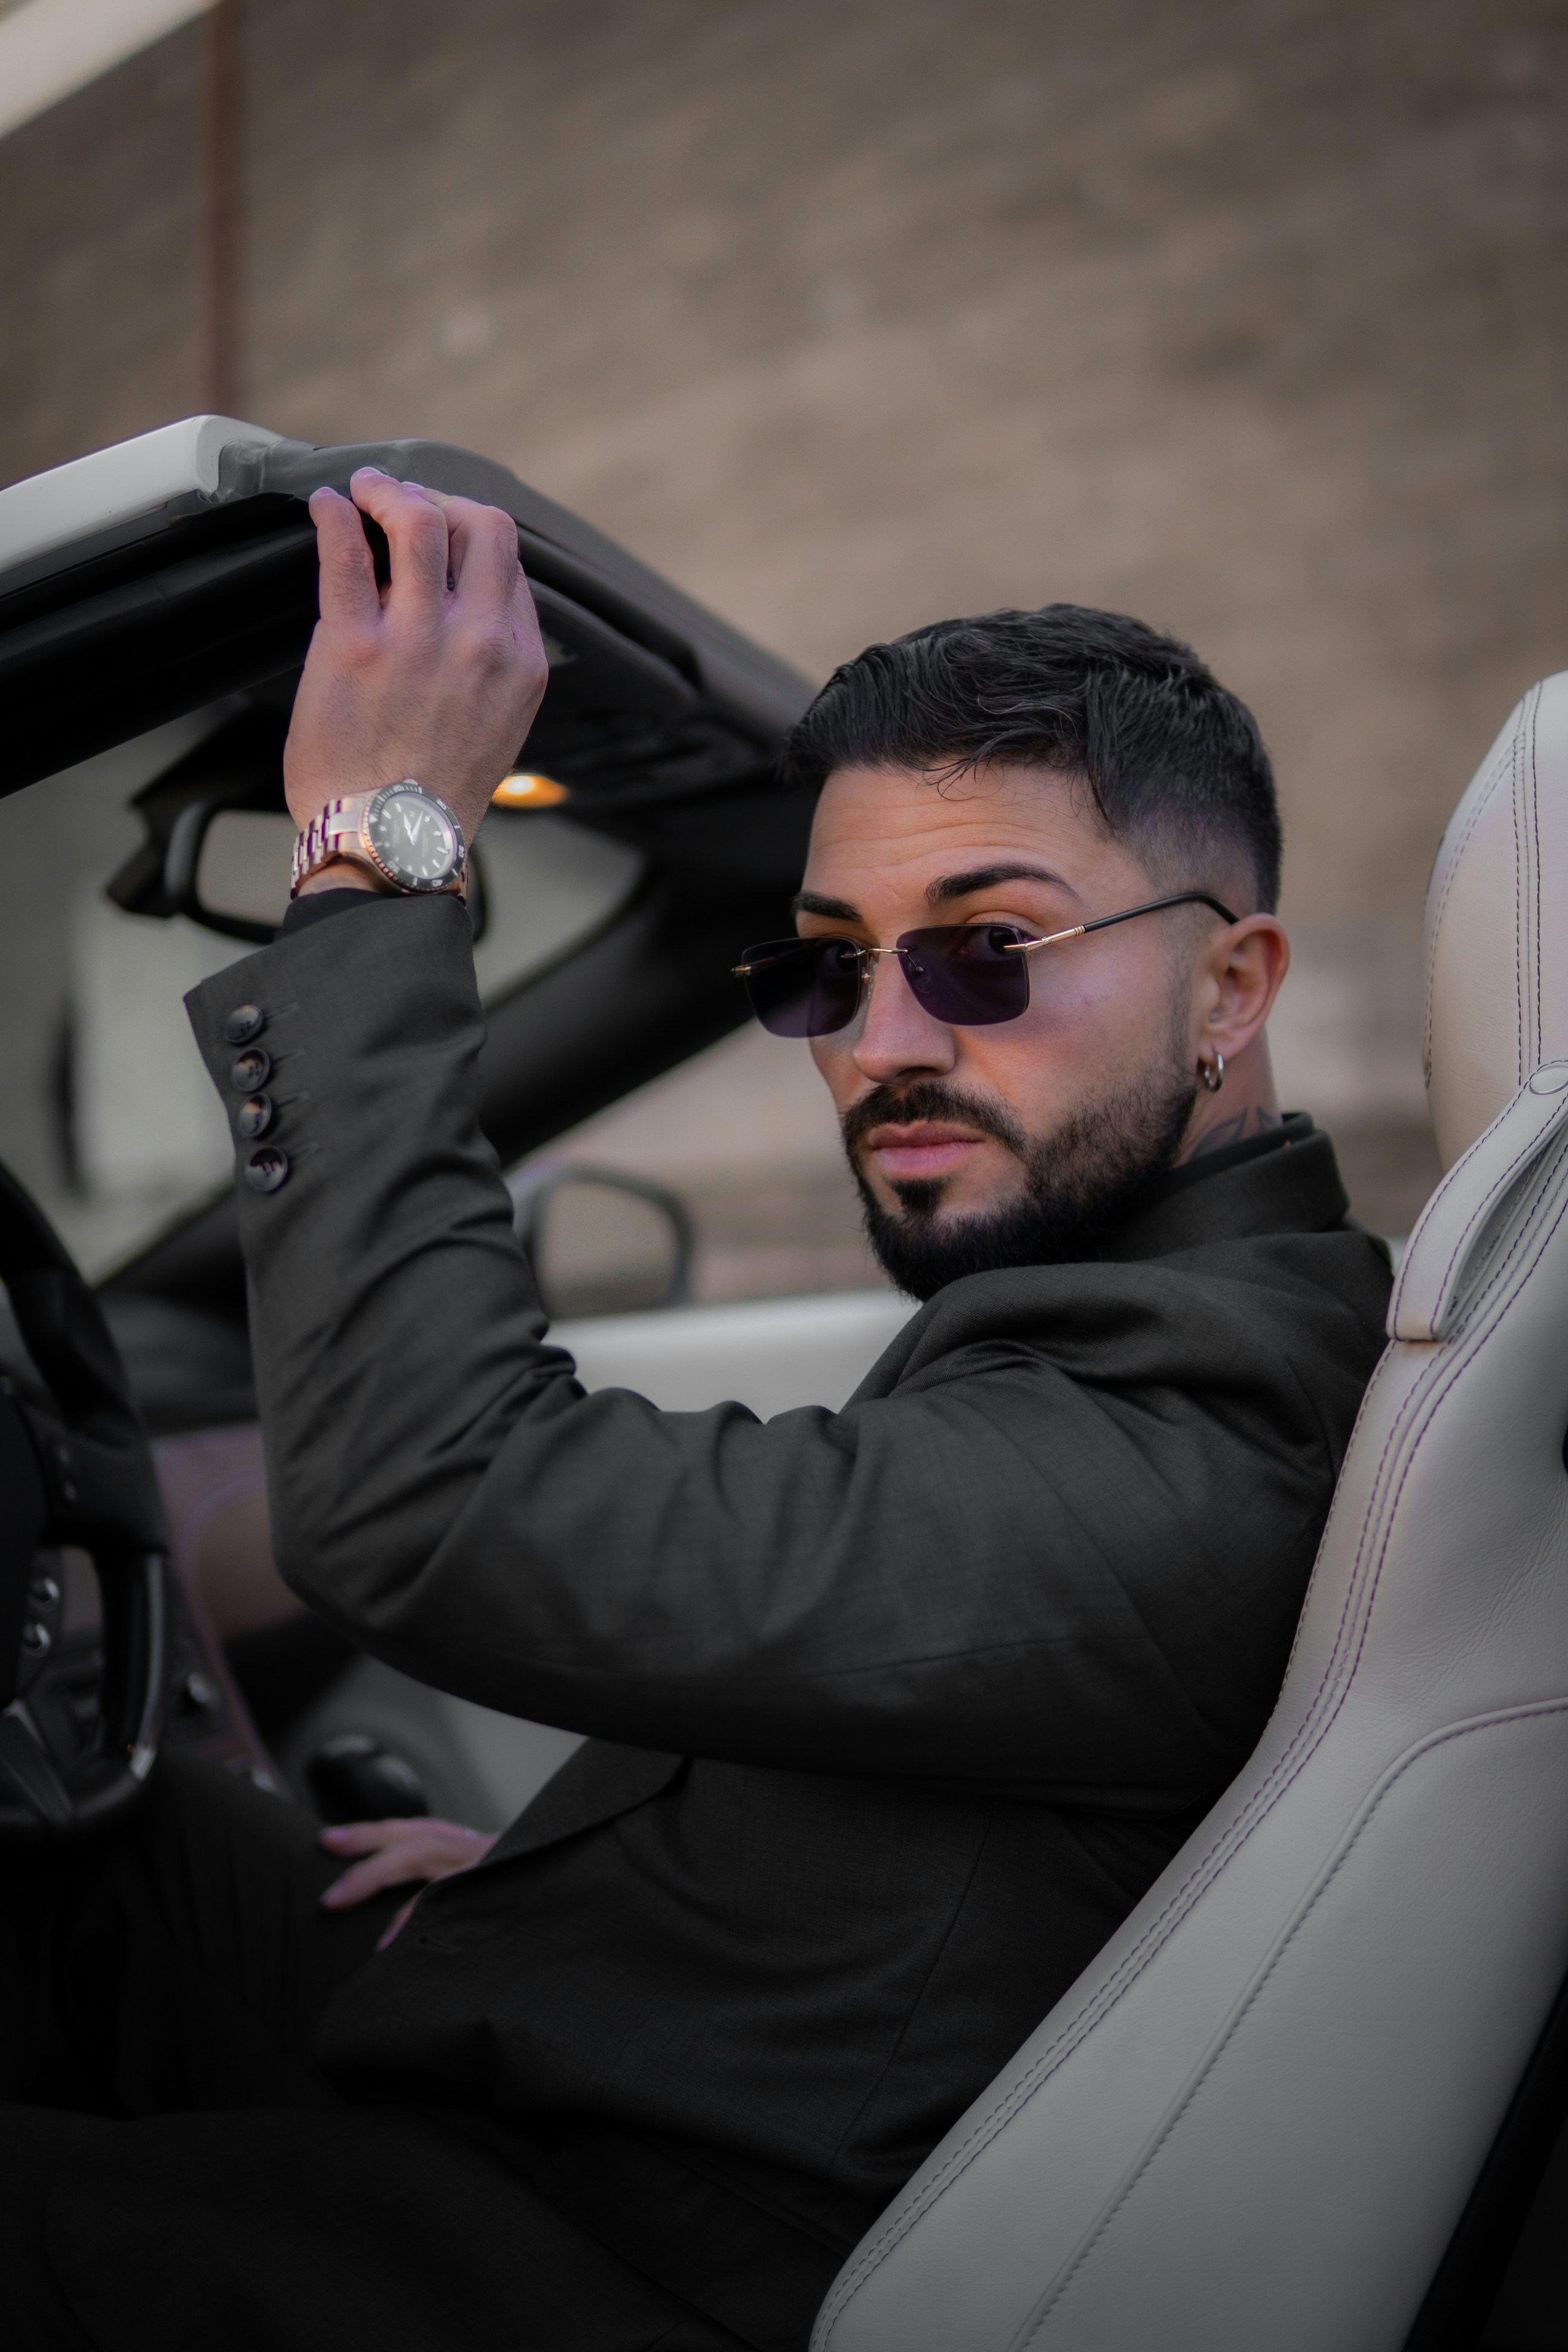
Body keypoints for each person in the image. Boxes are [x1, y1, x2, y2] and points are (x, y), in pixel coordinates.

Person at [1, 472, 1392, 2352]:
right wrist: (573, 1899)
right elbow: (928, 1737)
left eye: (990, 948)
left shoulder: (1218, 1420)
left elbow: (429, 1495)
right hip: (624, 2072)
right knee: (117, 1858)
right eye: (829, 963)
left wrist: (381, 851)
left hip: (597, 2252)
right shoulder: (1132, 1333)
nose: (887, 1039)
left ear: (1233, 988)